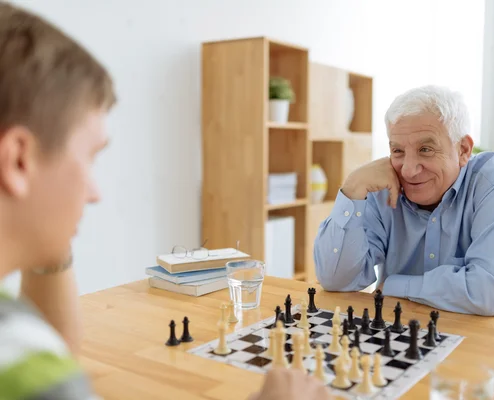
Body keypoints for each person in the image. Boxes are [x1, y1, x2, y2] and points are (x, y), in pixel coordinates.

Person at [0, 3, 329, 399]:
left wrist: (45, 228)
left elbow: (52, 350)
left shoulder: (22, 345)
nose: (94, 192)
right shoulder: (28, 373)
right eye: (90, 157)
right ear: (18, 159)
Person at [314, 85, 494, 319]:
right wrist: (352, 187)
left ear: (463, 150)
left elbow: (491, 294)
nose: (409, 170)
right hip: (405, 337)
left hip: (491, 346)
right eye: (398, 150)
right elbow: (335, 279)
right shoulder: (383, 185)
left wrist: (394, 285)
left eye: (426, 149)